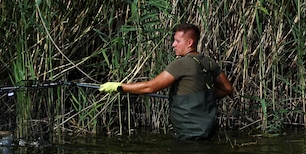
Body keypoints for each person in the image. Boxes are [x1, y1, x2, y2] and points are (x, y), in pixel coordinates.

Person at [100, 24, 234, 140]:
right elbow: (227, 88)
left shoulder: (181, 64)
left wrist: (119, 87)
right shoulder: (209, 62)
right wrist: (203, 98)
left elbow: (151, 87)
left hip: (188, 133)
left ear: (189, 43)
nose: (173, 44)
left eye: (177, 41)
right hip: (208, 131)